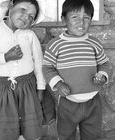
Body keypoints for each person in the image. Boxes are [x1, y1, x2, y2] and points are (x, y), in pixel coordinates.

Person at [0, 0, 46, 140]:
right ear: (11, 6)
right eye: (24, 10)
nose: (26, 17)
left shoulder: (29, 35)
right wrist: (5, 57)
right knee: (7, 128)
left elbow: (39, 63)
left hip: (28, 88)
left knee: (29, 128)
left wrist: (41, 88)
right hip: (2, 89)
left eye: (31, 16)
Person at [42, 0, 111, 140]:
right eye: (75, 17)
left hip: (93, 102)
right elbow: (47, 67)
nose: (81, 22)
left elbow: (104, 64)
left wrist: (102, 76)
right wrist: (58, 84)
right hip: (68, 103)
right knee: (65, 135)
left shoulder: (93, 43)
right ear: (63, 20)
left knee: (93, 135)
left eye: (86, 18)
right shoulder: (55, 44)